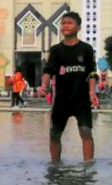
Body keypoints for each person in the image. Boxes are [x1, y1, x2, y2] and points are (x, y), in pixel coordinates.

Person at [39, 12, 98, 163]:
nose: (65, 25)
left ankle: (88, 165)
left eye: (69, 23)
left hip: (81, 99)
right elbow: (48, 71)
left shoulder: (86, 49)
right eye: (63, 23)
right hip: (62, 100)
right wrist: (44, 85)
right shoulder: (56, 50)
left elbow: (91, 73)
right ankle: (55, 165)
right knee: (54, 135)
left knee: (85, 131)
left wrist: (92, 91)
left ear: (78, 27)